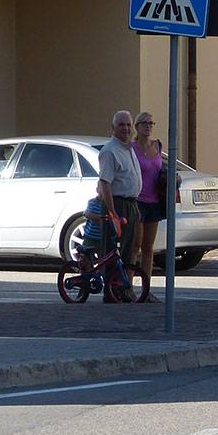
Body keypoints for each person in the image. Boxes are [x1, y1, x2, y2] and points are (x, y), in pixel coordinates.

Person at [98, 110, 143, 303]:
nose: (126, 128)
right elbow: (105, 184)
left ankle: (123, 290)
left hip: (130, 205)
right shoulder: (110, 151)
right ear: (113, 128)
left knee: (128, 250)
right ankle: (111, 293)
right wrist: (112, 212)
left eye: (128, 125)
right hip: (116, 205)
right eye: (121, 125)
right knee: (113, 251)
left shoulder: (129, 148)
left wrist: (135, 207)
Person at [130, 111, 166, 303]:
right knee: (135, 245)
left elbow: (162, 169)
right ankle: (128, 288)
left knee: (148, 248)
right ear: (137, 127)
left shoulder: (157, 146)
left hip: (154, 201)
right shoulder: (132, 148)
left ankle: (146, 289)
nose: (148, 126)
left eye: (151, 123)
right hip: (137, 201)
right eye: (144, 123)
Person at [78, 194, 105, 270]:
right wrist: (98, 217)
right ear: (97, 190)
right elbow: (87, 214)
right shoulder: (93, 202)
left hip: (101, 238)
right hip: (90, 237)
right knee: (86, 259)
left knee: (103, 259)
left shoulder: (108, 204)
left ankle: (99, 275)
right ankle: (85, 275)